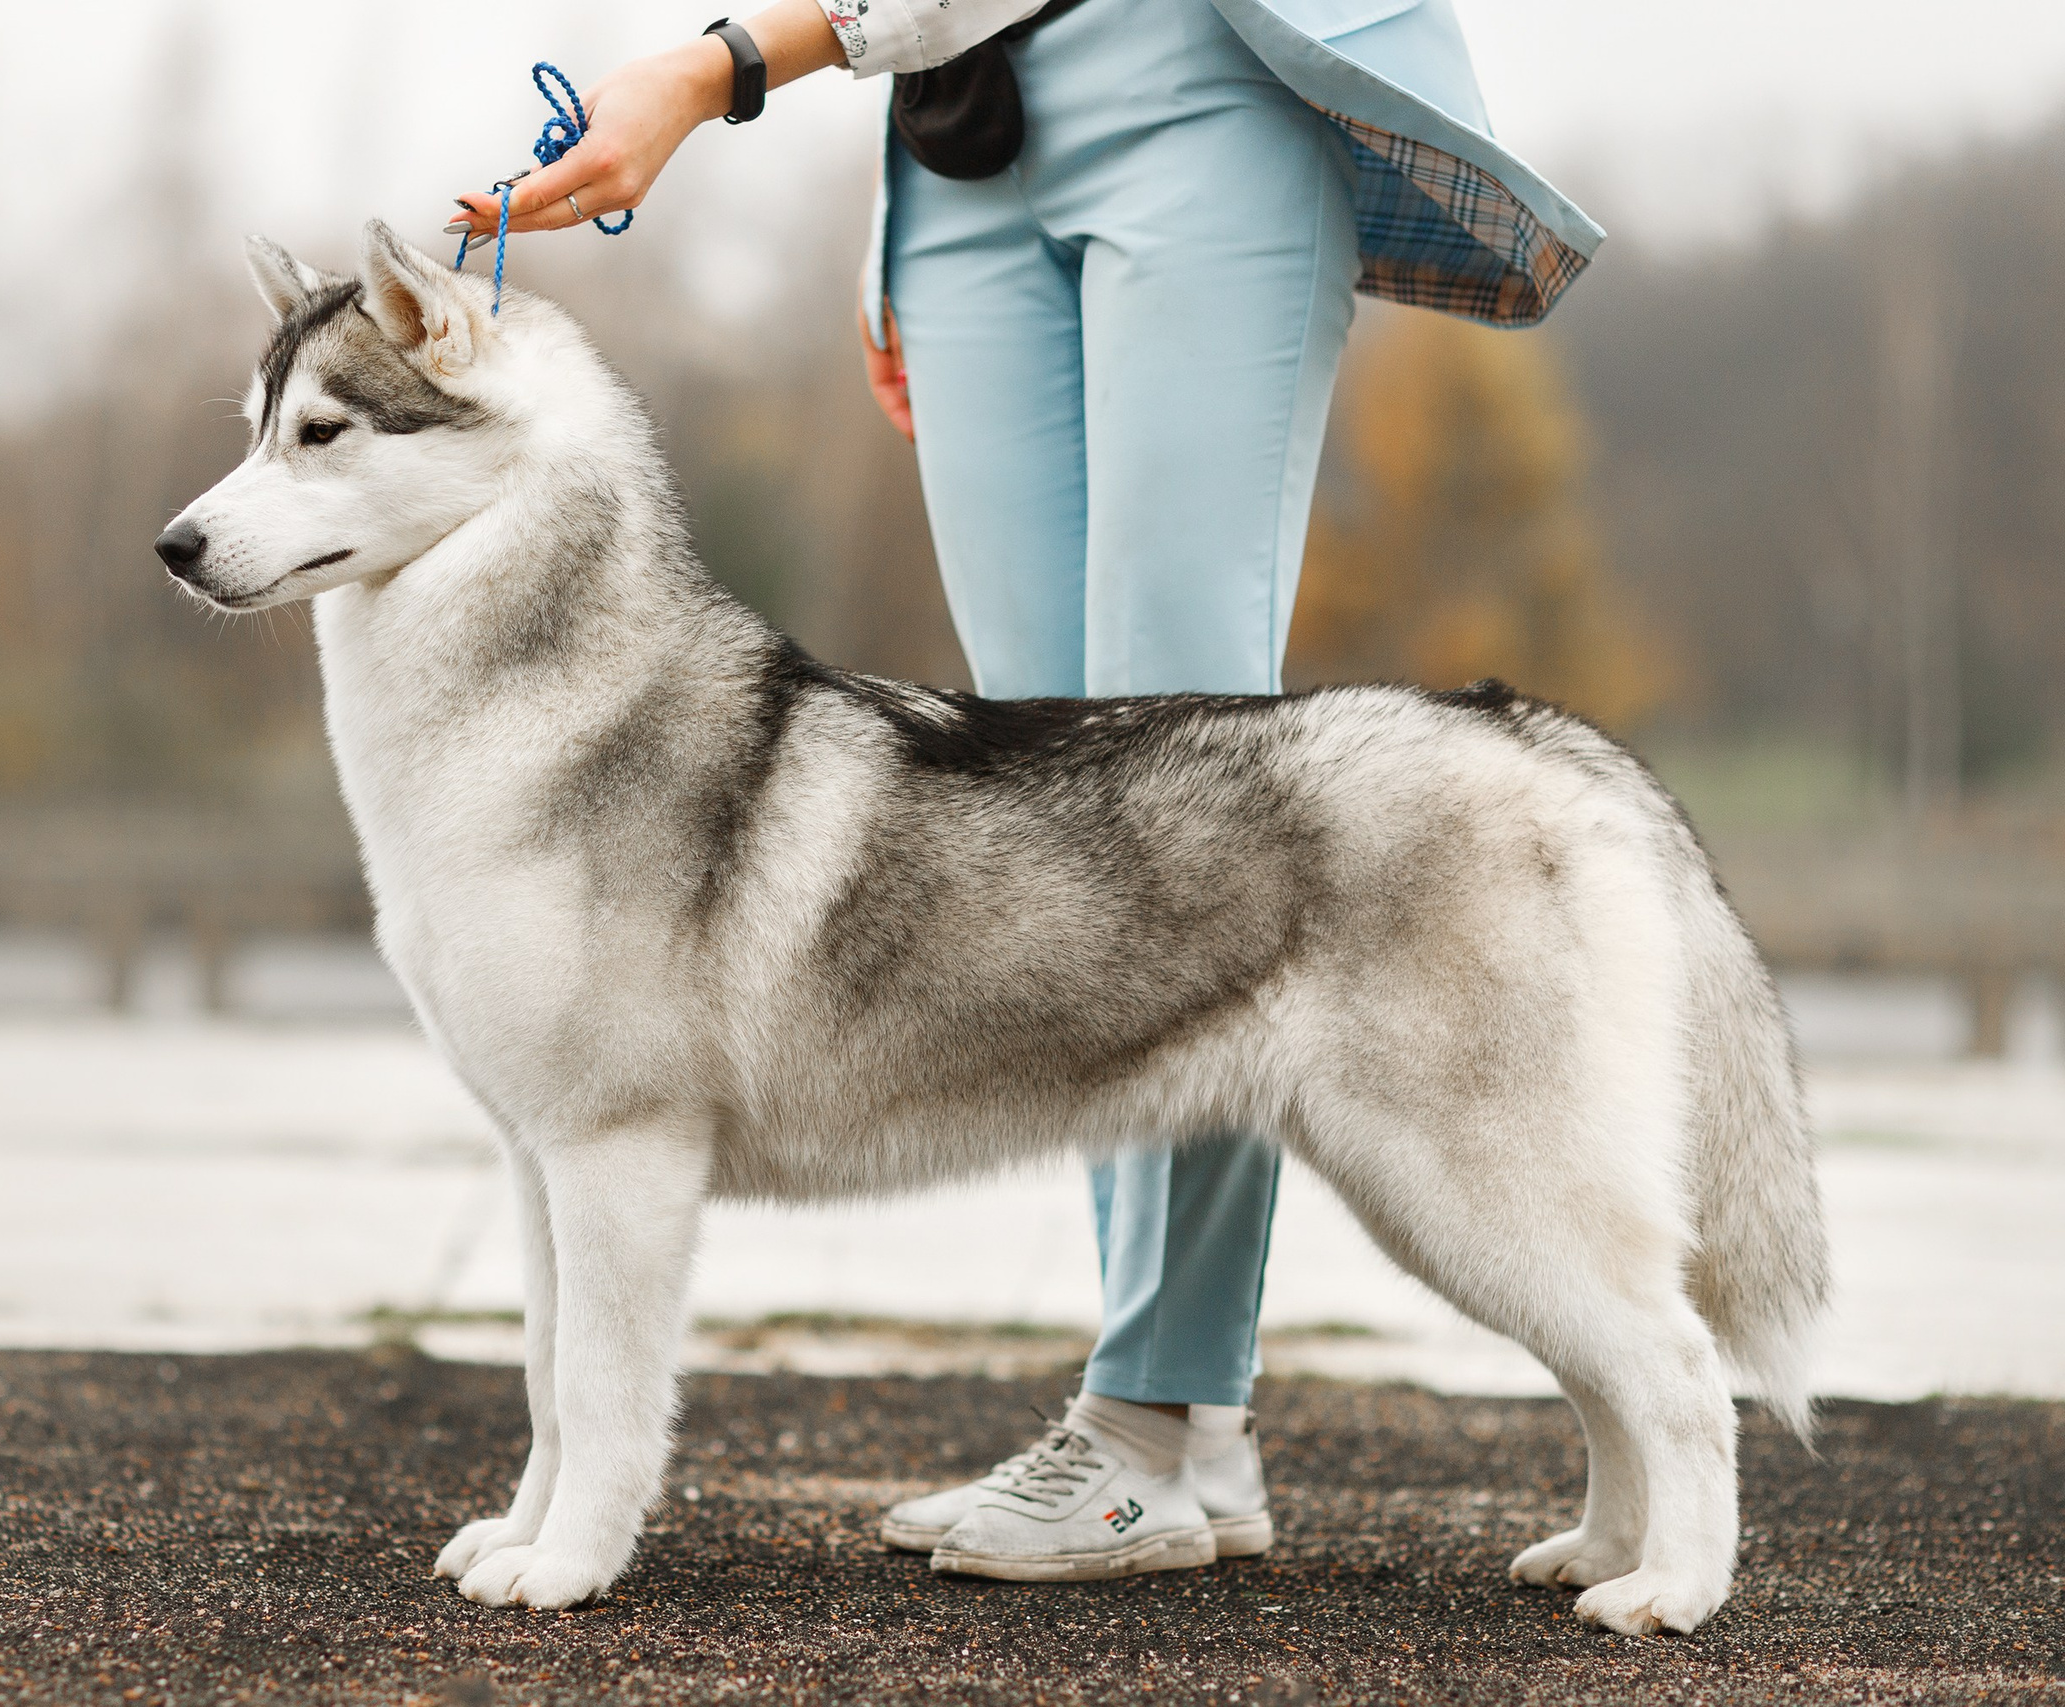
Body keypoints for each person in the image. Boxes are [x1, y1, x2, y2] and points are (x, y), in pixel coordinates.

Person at [448, 0, 1599, 1583]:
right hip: (959, 129)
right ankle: (1193, 1444)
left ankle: (1152, 1417)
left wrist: (715, 69)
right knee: (1044, 827)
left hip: (1196, 85)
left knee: (1190, 807)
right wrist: (897, 231)